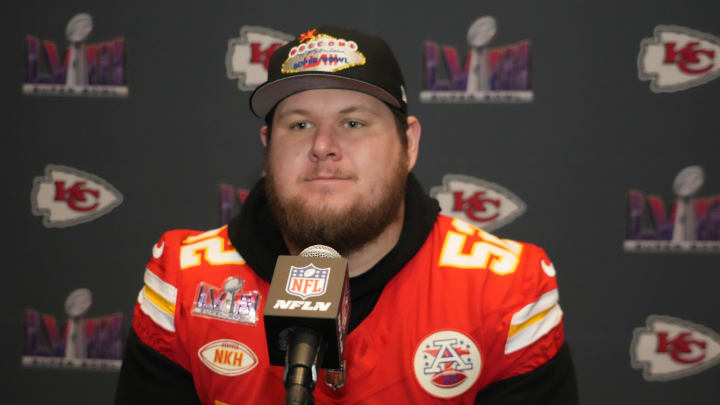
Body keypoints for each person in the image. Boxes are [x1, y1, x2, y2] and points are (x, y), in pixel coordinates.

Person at [115, 25, 578, 404]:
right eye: (299, 125)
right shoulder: (183, 279)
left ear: (409, 144)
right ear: (266, 148)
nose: (322, 147)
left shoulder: (504, 290)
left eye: (353, 123)